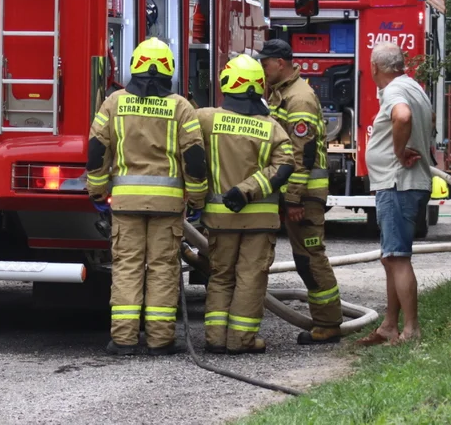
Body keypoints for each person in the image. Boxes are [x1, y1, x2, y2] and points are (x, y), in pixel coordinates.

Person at [86, 37, 208, 356]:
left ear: (134, 66)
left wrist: (97, 190)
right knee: (163, 268)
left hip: (125, 204)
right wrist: (196, 200)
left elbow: (98, 149)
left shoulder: (114, 103)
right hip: (168, 207)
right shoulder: (181, 107)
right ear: (168, 68)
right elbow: (194, 158)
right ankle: (160, 339)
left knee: (127, 267)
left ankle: (124, 339)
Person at [196, 55, 295, 354]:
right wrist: (248, 190)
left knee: (221, 277)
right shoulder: (273, 128)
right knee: (250, 278)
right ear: (260, 86)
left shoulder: (205, 119)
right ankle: (241, 340)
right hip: (259, 222)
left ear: (227, 83)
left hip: (219, 220)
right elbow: (285, 168)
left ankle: (215, 339)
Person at [258, 39, 342, 345]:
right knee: (304, 256)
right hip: (297, 192)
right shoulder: (282, 93)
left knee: (310, 258)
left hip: (305, 195)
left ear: (280, 63)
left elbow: (301, 155)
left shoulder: (300, 98)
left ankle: (328, 324)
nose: (262, 70)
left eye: (265, 65)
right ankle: (327, 320)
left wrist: (293, 199)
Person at [357, 41, 434, 346]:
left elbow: (402, 117)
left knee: (398, 258)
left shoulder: (393, 92)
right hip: (404, 183)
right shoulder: (415, 86)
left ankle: (411, 330)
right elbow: (428, 122)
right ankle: (389, 325)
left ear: (375, 68)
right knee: (391, 257)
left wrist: (399, 152)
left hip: (397, 183)